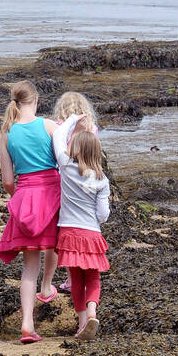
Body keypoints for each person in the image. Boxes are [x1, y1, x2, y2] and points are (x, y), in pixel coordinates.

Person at [0, 80, 61, 345]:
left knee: (28, 267)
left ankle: (27, 324)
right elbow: (66, 161)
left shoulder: (6, 132)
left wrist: (21, 199)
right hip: (51, 193)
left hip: (24, 195)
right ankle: (47, 287)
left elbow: (7, 181)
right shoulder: (49, 126)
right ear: (35, 100)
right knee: (53, 245)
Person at [52, 115, 110, 341]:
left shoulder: (66, 167)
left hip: (68, 232)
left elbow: (58, 135)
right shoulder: (101, 179)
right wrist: (96, 220)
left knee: (76, 281)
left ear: (74, 149)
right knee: (93, 278)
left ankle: (82, 323)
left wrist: (73, 119)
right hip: (91, 233)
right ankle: (93, 311)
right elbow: (103, 214)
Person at [52, 92, 99, 290]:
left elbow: (57, 147)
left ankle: (71, 279)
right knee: (85, 231)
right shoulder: (91, 129)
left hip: (64, 183)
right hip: (88, 182)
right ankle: (86, 275)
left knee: (65, 234)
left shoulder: (59, 129)